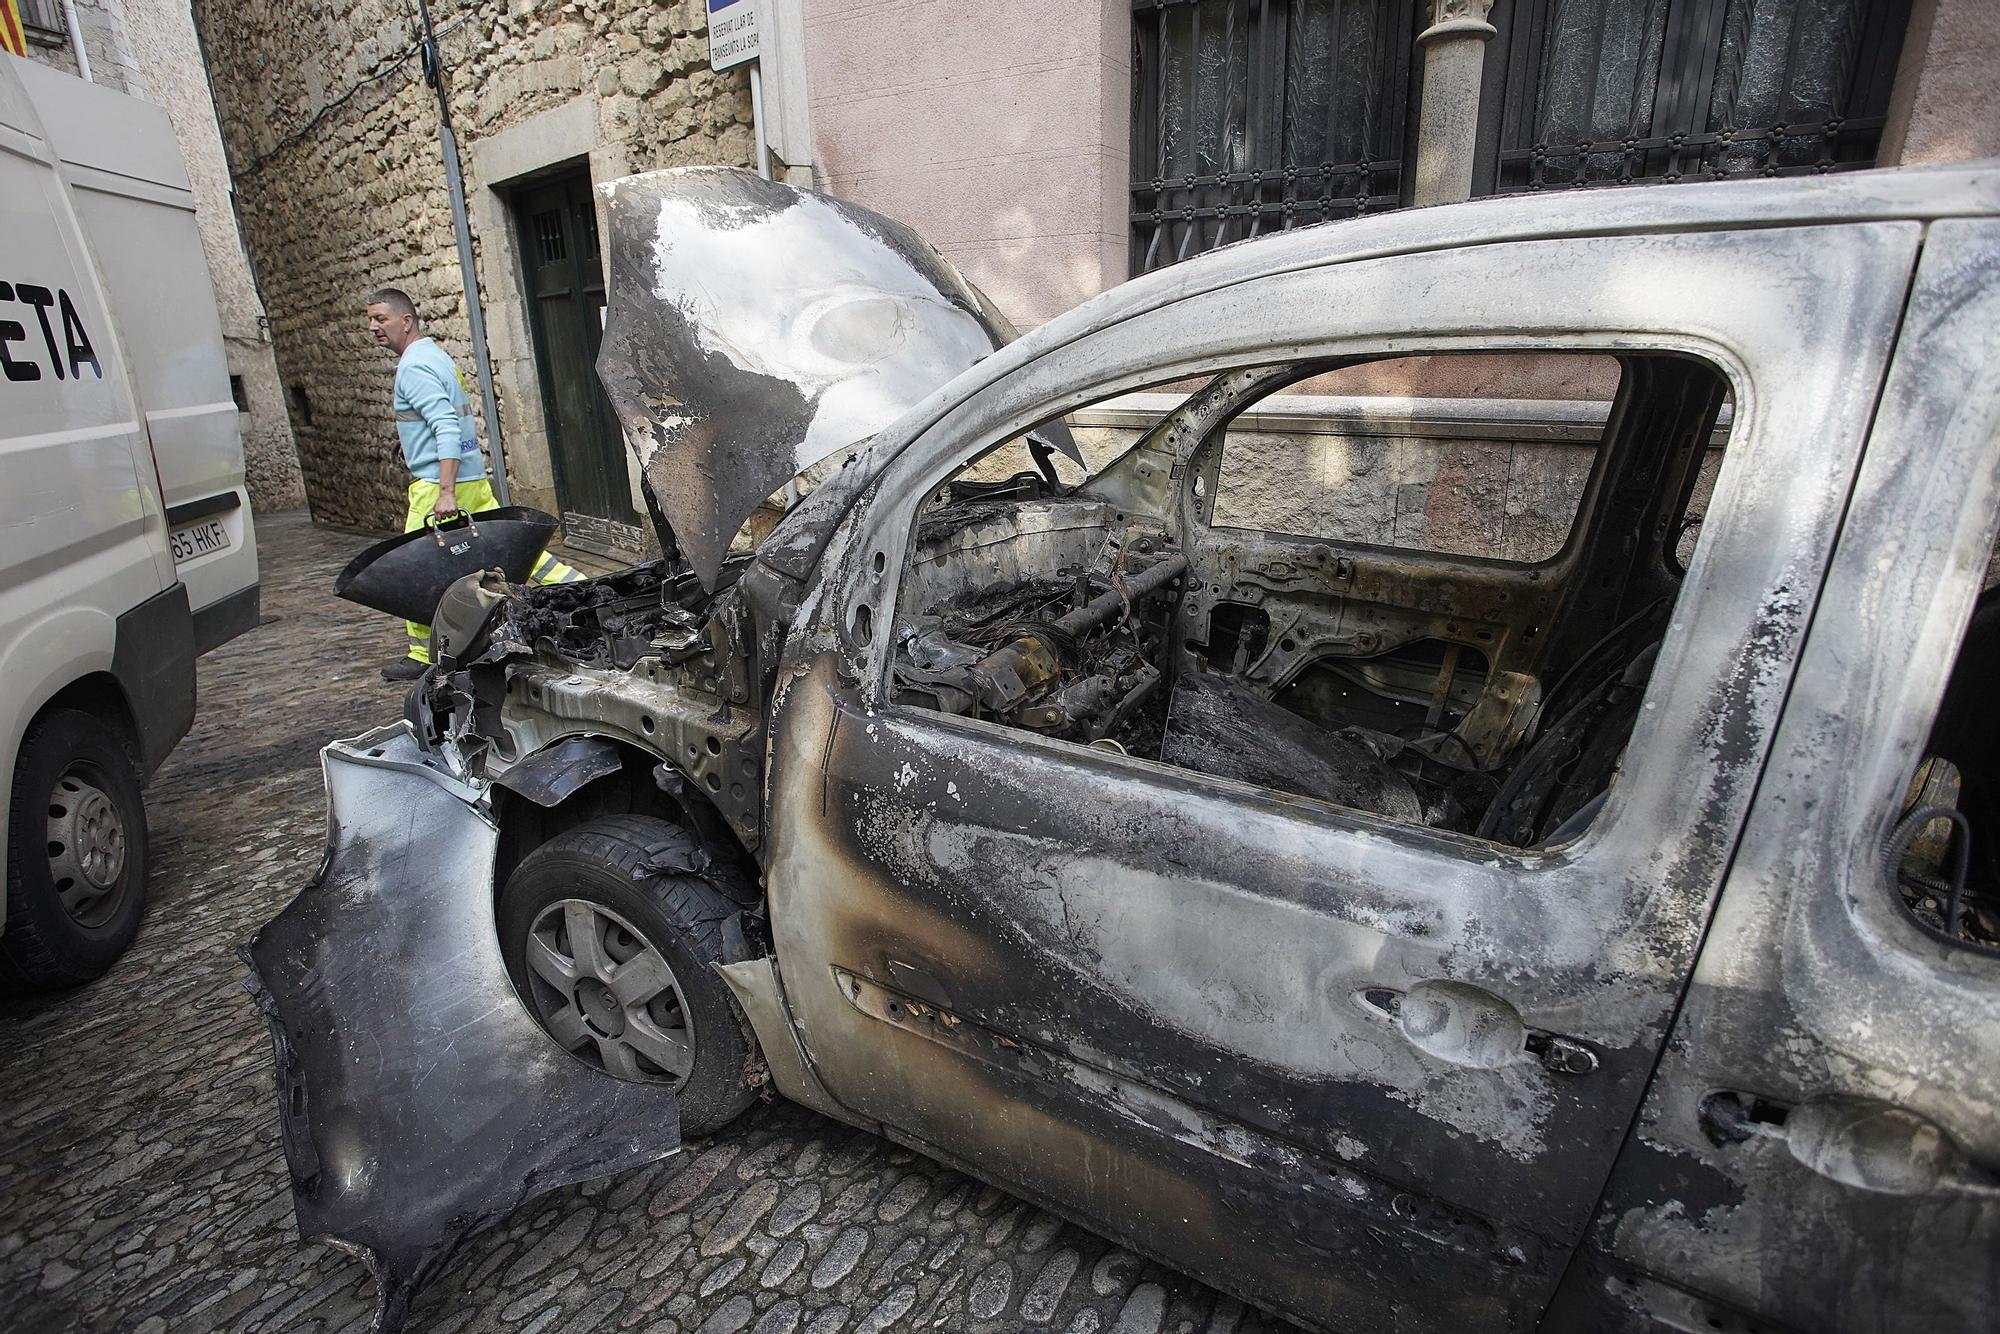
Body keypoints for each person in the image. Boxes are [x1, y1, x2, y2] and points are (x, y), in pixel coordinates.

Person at [364, 287, 581, 681]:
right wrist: (412, 442)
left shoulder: (413, 368)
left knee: (416, 567)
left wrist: (444, 490)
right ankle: (581, 589)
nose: (373, 327)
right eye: (371, 320)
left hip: (438, 485)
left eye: (381, 318)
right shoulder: (435, 357)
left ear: (406, 320)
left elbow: (446, 425)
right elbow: (445, 418)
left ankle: (421, 653)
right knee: (514, 551)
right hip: (468, 477)